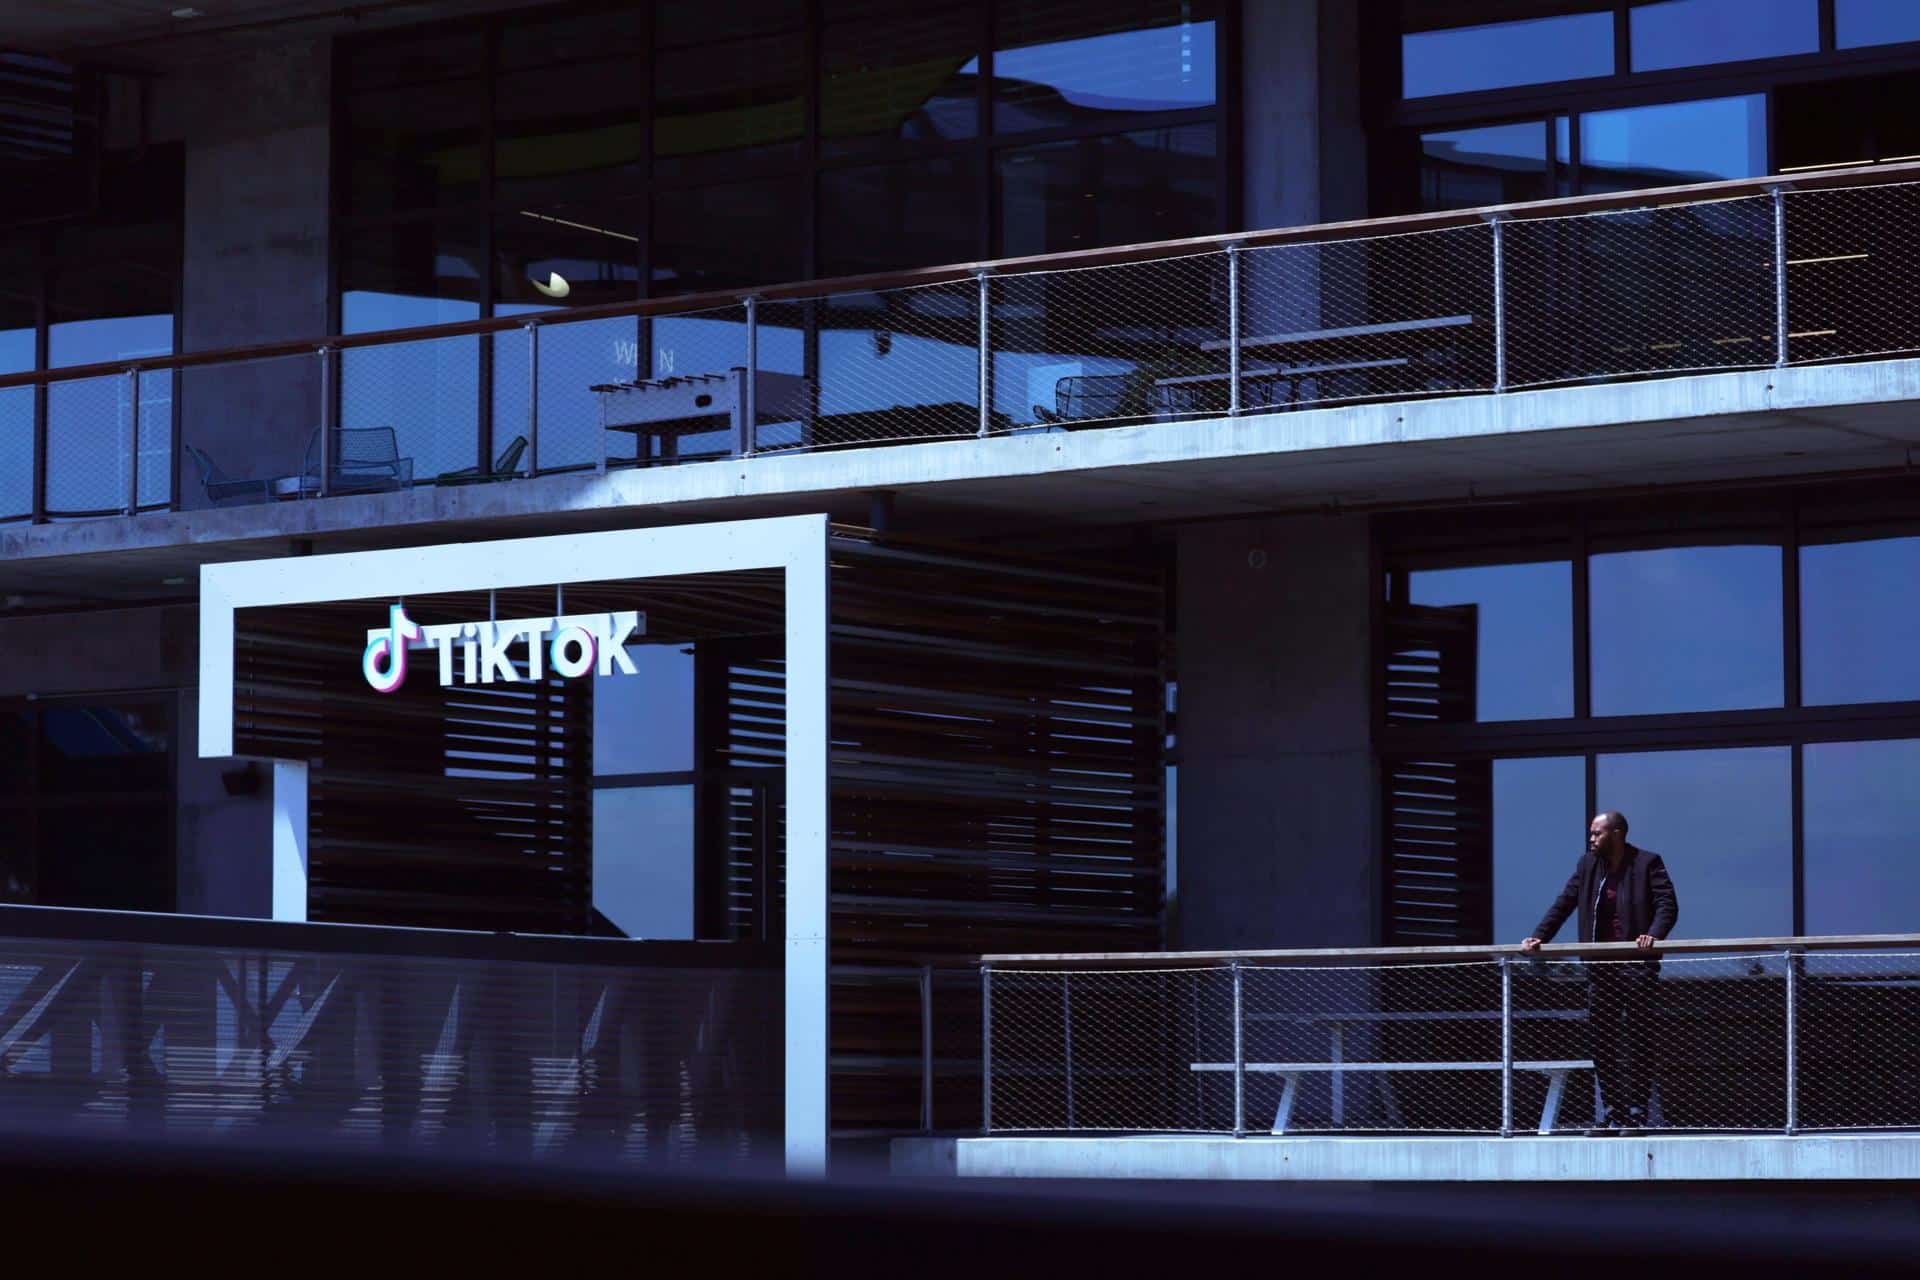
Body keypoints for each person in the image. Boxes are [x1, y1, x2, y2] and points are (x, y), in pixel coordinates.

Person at [1520, 811, 1678, 1136]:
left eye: (1597, 834)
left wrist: (1653, 935)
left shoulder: (1647, 863)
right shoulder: (1587, 865)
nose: (1591, 840)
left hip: (1636, 967)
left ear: (1617, 833)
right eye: (1591, 834)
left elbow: (1667, 904)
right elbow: (1564, 903)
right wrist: (1540, 935)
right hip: (1600, 968)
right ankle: (1610, 1115)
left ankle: (1635, 1116)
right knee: (1602, 1042)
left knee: (1638, 1039)